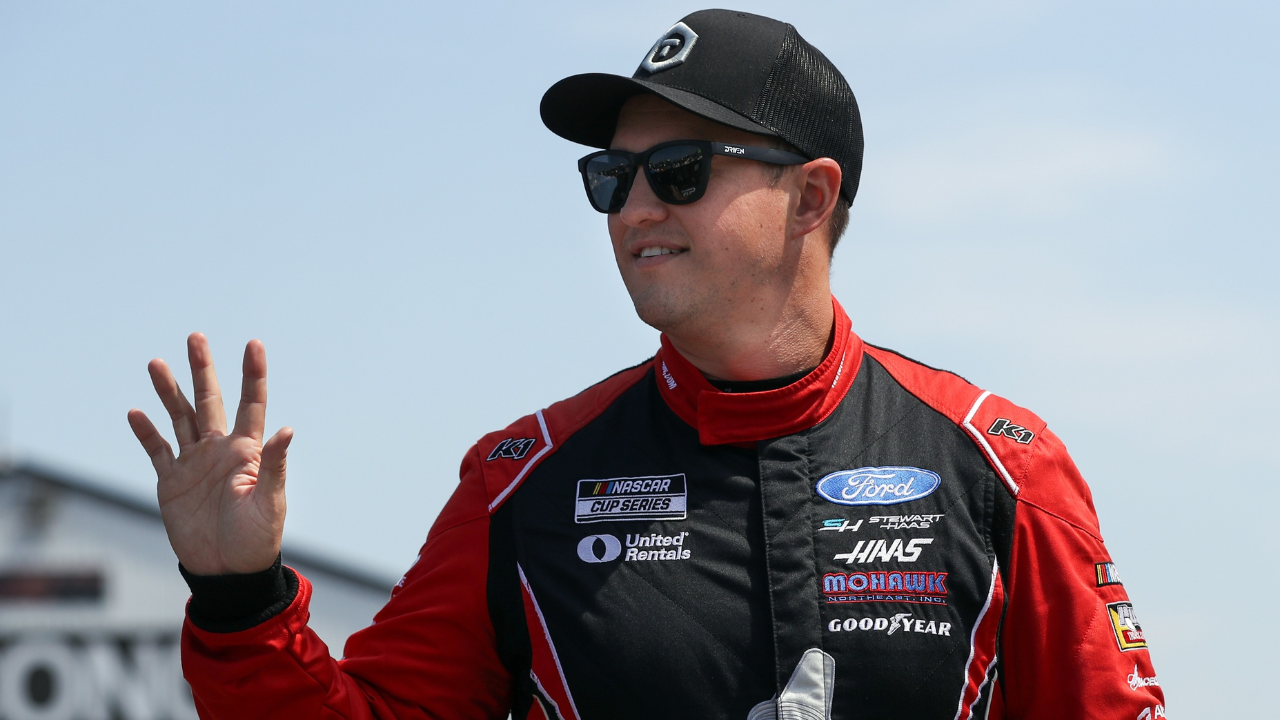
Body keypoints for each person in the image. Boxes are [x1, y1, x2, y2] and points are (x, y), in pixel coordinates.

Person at [127, 9, 1165, 720]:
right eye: (610, 176)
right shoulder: (519, 480)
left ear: (810, 198)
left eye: (676, 170)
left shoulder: (999, 464)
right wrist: (241, 598)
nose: (632, 208)